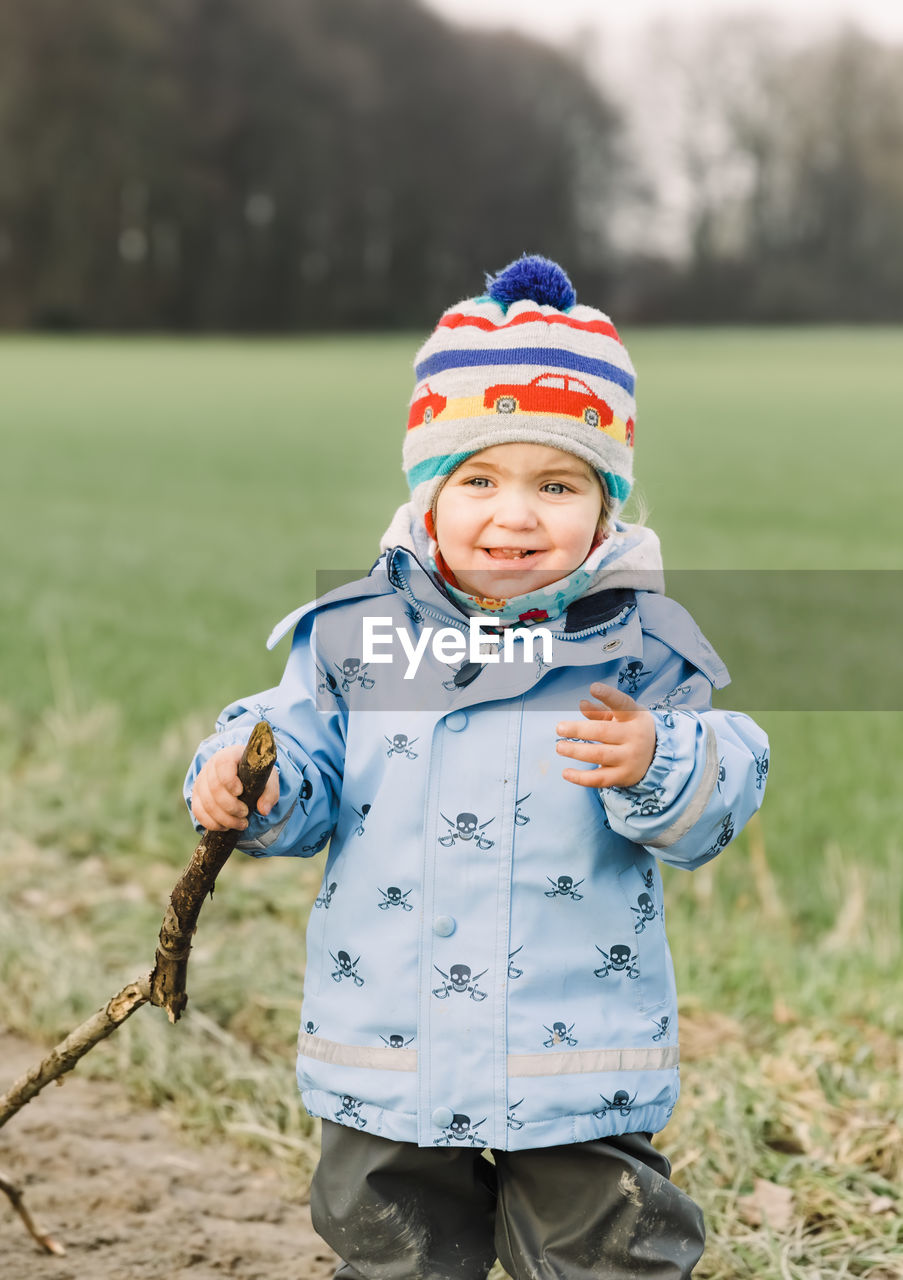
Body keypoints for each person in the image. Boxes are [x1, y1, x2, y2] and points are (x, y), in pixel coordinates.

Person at [185, 255, 769, 1279]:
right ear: (426, 490)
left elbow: (721, 789)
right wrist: (252, 783)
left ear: (608, 501)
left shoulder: (643, 648)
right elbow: (298, 767)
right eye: (478, 480)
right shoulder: (353, 636)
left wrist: (659, 759)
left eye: (557, 483)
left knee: (607, 1247)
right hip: (392, 1031)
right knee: (388, 1236)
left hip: (572, 1037)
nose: (516, 514)